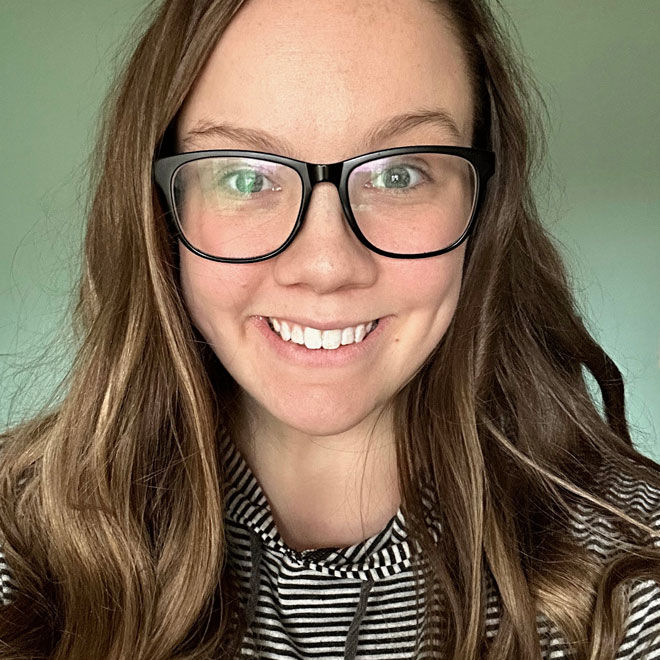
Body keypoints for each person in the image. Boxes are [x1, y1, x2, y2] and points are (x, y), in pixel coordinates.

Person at [0, 0, 658, 658]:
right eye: (246, 175)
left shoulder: (637, 570)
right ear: (160, 216)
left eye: (398, 174)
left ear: (483, 204)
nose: (326, 265)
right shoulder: (16, 542)